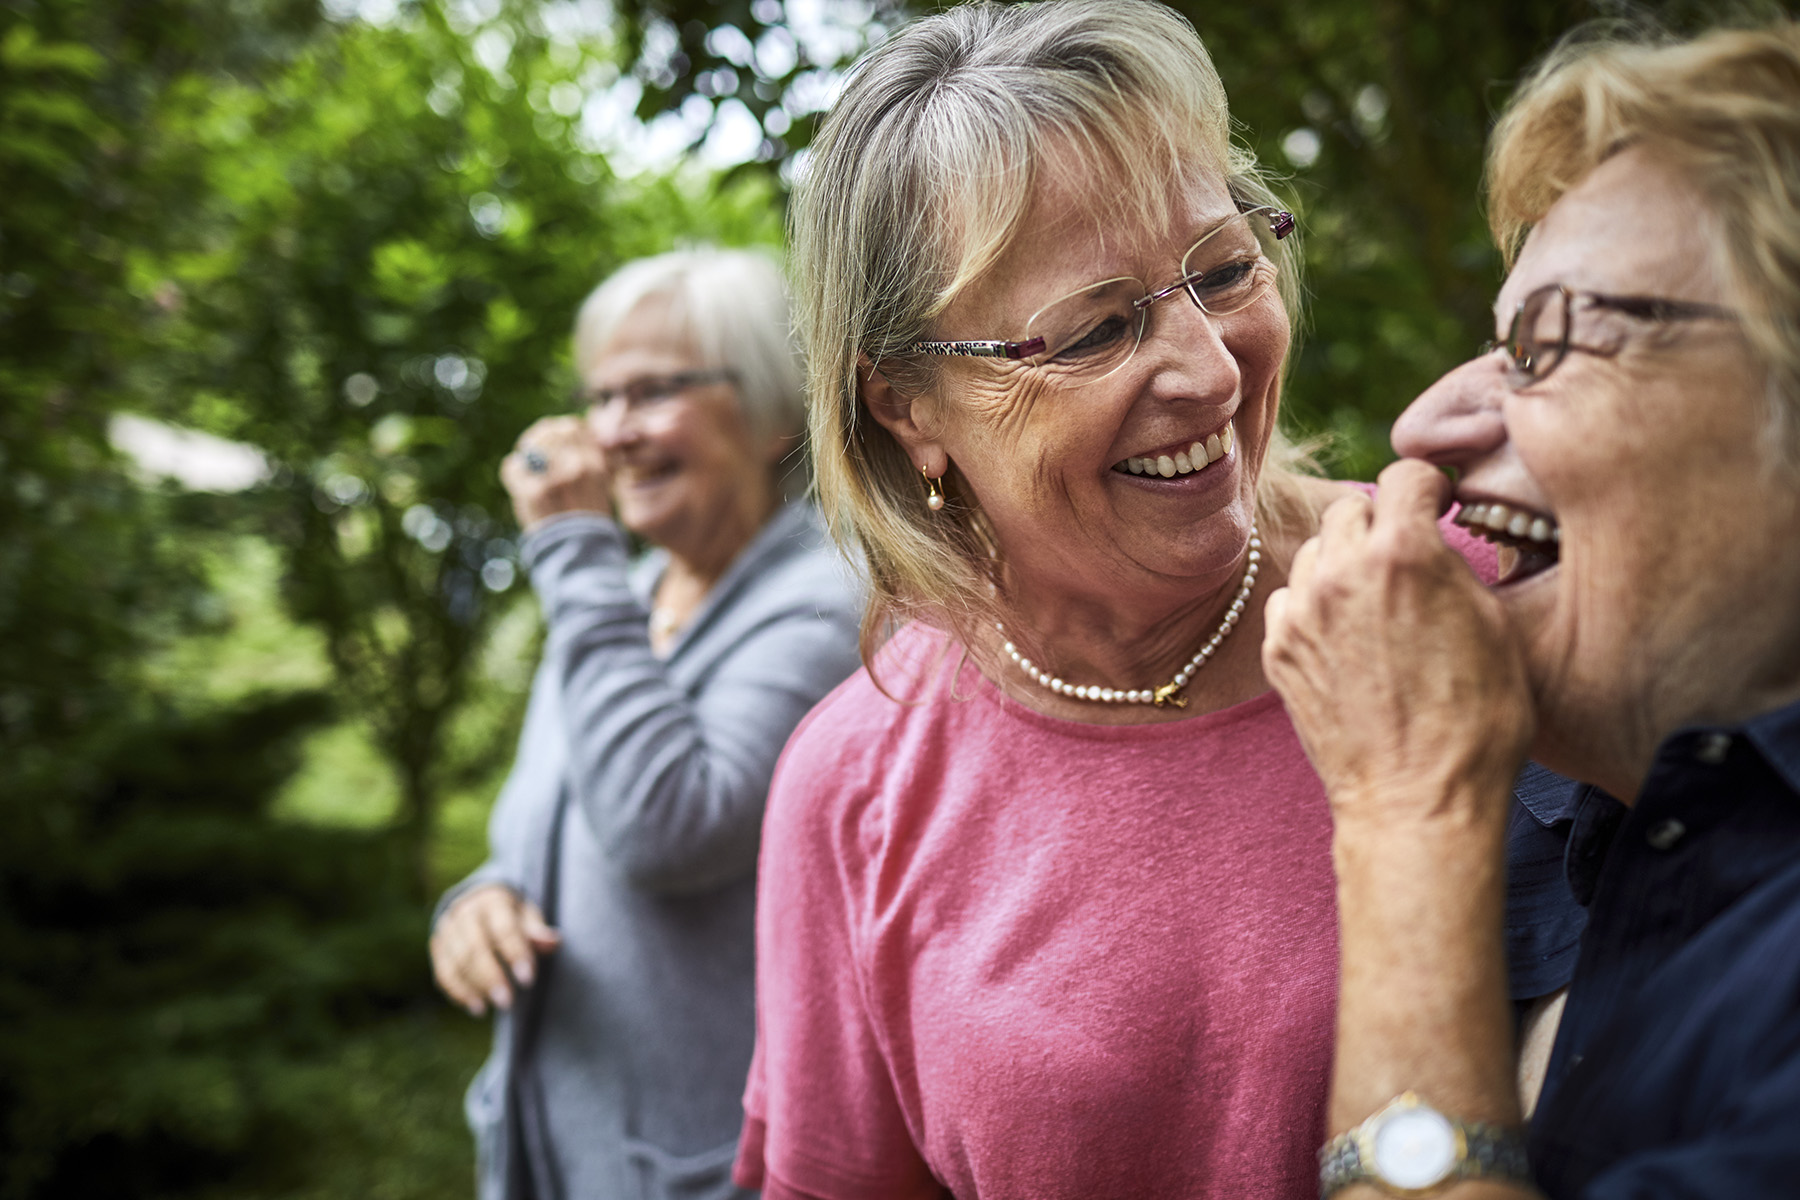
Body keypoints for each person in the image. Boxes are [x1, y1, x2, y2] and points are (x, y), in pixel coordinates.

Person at [732, 4, 1585, 1198]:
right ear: (907, 406)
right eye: (1094, 329)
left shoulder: (1481, 603)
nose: (1211, 368)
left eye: (1224, 270)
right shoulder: (856, 784)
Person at [1262, 21, 1800, 1199]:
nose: (1422, 428)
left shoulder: (1449, 788)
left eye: (1543, 345)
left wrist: (1409, 809)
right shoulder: (1586, 812)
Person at [429, 248, 863, 1200]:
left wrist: (572, 552)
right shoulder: (626, 594)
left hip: (706, 1166)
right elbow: (541, 823)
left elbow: (667, 828)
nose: (612, 432)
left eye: (654, 391)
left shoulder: (827, 605)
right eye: (601, 397)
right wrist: (479, 899)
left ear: (771, 412)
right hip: (552, 1151)